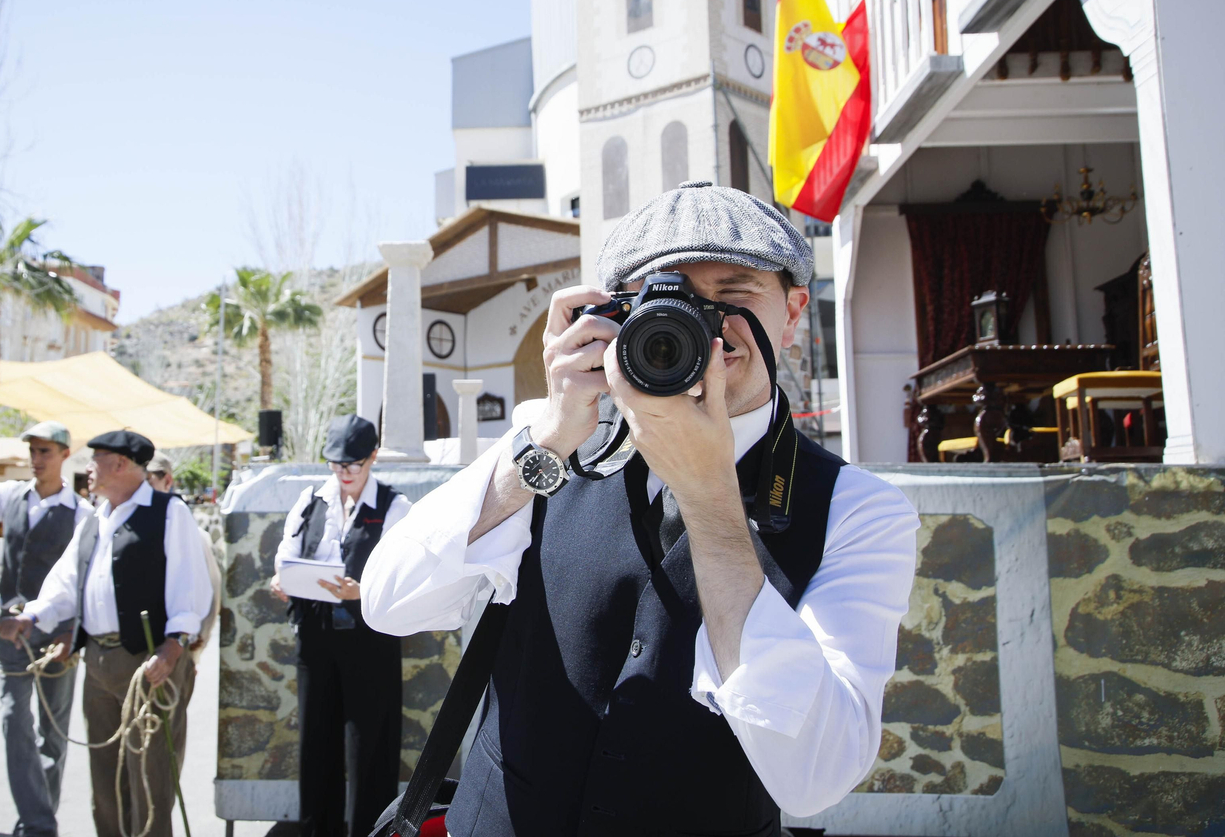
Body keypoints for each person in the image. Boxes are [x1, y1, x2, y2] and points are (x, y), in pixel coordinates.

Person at [362, 182, 919, 836]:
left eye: (733, 296)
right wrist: (548, 438)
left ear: (794, 314)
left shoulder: (857, 511)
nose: (703, 326)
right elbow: (388, 603)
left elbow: (818, 778)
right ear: (611, 315)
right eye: (669, 299)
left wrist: (711, 498)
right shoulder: (549, 444)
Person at [0, 430, 214, 837]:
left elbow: (191, 586)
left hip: (148, 663)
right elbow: (66, 580)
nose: (87, 468)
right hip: (98, 663)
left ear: (120, 465)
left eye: (95, 460)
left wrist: (173, 646)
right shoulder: (97, 516)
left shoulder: (168, 512)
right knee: (107, 781)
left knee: (149, 780)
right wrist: (34, 616)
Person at [269, 415, 412, 837]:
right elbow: (287, 552)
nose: (344, 474)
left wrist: (360, 591)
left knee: (369, 749)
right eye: (336, 464)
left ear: (372, 458)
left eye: (353, 465)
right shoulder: (311, 499)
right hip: (316, 639)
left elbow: (402, 578)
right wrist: (283, 579)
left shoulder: (395, 507)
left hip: (369, 644)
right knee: (316, 744)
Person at [0, 421, 93, 837]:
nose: (36, 459)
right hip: (11, 630)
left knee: (53, 730)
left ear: (65, 455)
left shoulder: (83, 513)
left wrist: (73, 633)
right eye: (32, 451)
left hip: (58, 634)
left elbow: (85, 578)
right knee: (14, 721)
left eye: (45, 451)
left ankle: (37, 820)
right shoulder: (8, 498)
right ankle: (38, 821)